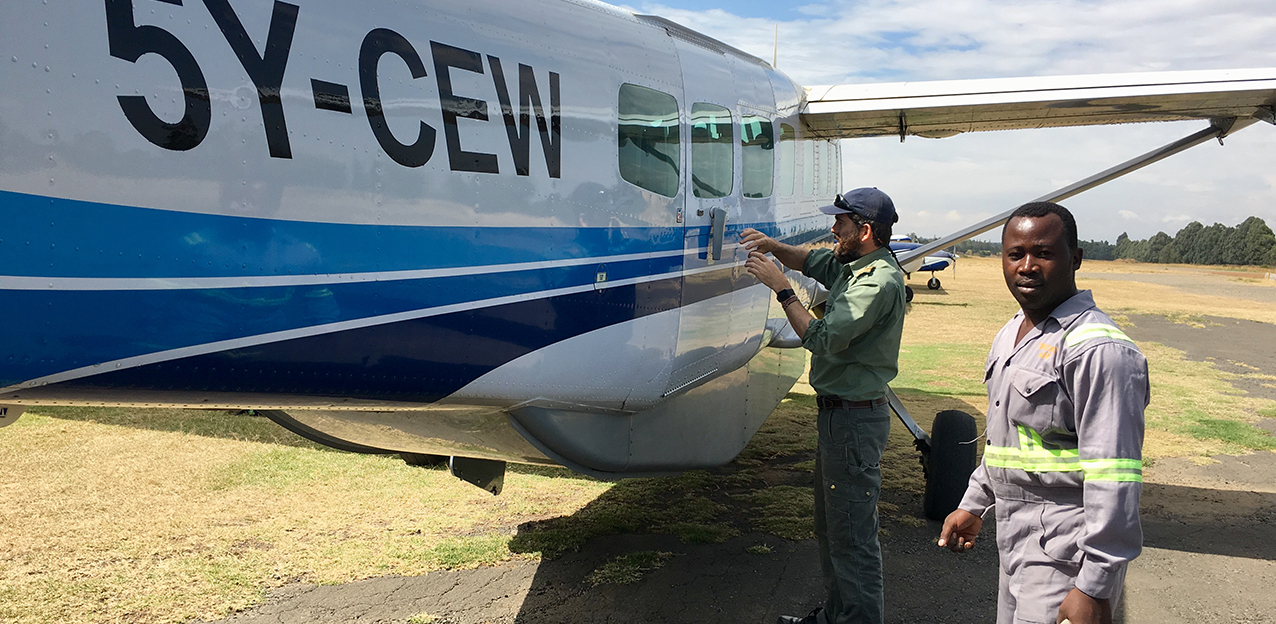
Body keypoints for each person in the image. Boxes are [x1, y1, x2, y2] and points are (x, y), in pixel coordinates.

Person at [937, 202, 1148, 624]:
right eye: (1016, 254)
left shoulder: (1100, 350)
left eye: (1044, 253)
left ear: (1076, 258)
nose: (1027, 266)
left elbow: (1115, 477)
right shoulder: (1012, 334)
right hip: (1015, 539)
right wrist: (975, 503)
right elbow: (1004, 440)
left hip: (1066, 551)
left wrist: (1094, 586)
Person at [741, 187, 907, 624]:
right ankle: (837, 616)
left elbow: (821, 339)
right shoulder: (857, 265)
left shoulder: (876, 282)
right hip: (841, 419)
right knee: (834, 529)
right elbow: (810, 260)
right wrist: (773, 247)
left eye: (841, 223)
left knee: (852, 537)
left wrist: (782, 289)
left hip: (853, 421)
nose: (833, 229)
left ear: (865, 230)